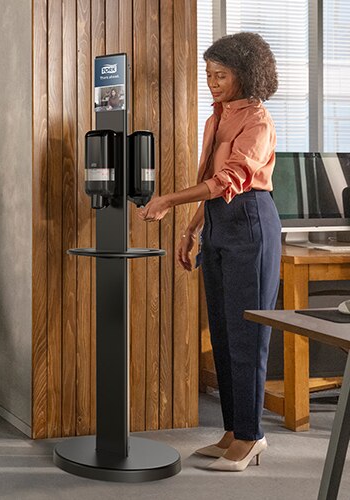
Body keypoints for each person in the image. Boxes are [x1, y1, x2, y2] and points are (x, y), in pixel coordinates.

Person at [137, 32, 280, 472]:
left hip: (251, 224)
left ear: (245, 74)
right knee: (221, 334)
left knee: (246, 337)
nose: (212, 82)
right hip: (218, 224)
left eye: (220, 74)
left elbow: (232, 180)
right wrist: (192, 229)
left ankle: (252, 436)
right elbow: (212, 187)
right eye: (208, 74)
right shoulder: (216, 117)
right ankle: (234, 430)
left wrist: (167, 201)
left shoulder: (256, 121)